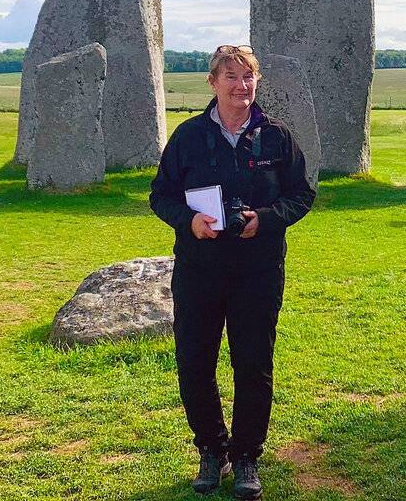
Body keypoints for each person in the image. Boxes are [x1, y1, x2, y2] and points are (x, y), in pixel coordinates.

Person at [149, 45, 315, 499]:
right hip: (199, 269)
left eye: (248, 77)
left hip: (257, 270)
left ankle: (246, 456)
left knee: (253, 364)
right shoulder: (188, 137)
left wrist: (268, 218)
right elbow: (160, 195)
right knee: (194, 362)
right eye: (230, 77)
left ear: (256, 82)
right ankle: (211, 449)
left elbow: (302, 194)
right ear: (213, 82)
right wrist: (189, 221)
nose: (241, 86)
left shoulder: (276, 137)